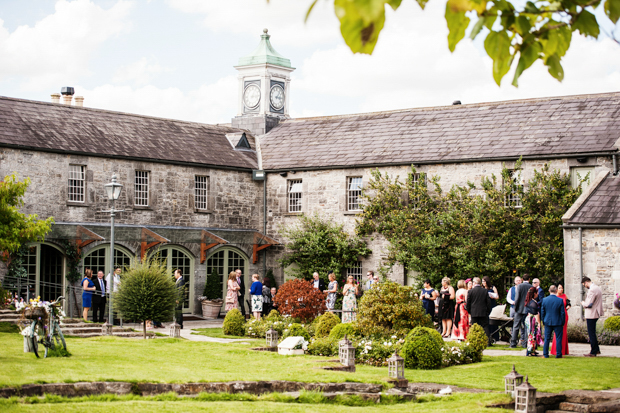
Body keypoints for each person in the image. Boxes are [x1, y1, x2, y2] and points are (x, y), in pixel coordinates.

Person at [541, 285, 566, 358]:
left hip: (547, 321)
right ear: (556, 291)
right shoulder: (559, 300)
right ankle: (558, 354)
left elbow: (542, 312)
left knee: (547, 339)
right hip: (558, 321)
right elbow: (562, 313)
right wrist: (562, 322)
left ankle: (545, 354)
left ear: (549, 291)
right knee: (558, 338)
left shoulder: (545, 300)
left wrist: (543, 320)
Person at [581, 276, 604, 357]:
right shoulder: (597, 288)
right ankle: (596, 349)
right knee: (592, 332)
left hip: (592, 314)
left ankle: (593, 351)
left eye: (584, 285)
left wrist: (583, 303)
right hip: (595, 313)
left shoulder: (592, 289)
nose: (584, 286)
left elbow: (589, 304)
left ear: (586, 282)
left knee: (591, 333)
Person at [466, 277, 491, 344]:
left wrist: (469, 311)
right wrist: (488, 311)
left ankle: (474, 341)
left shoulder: (471, 291)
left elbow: (468, 303)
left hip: (474, 311)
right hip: (483, 311)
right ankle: (487, 342)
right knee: (485, 326)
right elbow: (488, 302)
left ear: (474, 283)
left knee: (474, 326)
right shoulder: (485, 291)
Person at [510, 273, 533, 348]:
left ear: (522, 279)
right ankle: (525, 343)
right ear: (529, 279)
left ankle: (513, 343)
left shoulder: (519, 286)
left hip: (519, 309)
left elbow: (517, 298)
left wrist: (515, 307)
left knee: (516, 326)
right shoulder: (531, 287)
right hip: (528, 308)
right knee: (527, 326)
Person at [551, 283, 570, 356]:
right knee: (557, 333)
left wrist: (568, 306)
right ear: (556, 289)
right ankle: (556, 350)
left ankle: (564, 350)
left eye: (562, 288)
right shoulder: (555, 297)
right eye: (559, 288)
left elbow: (568, 303)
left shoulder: (565, 296)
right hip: (557, 315)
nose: (561, 289)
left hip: (564, 314)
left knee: (564, 332)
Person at [524, 287, 542, 356]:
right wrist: (539, 324)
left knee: (531, 334)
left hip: (528, 318)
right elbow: (536, 313)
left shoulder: (529, 301)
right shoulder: (533, 303)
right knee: (532, 335)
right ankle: (530, 350)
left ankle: (532, 349)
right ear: (534, 293)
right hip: (532, 319)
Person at [482, 276, 499, 341]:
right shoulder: (482, 288)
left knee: (493, 318)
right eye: (482, 281)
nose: (483, 283)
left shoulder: (492, 287)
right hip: (485, 304)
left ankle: (494, 335)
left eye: (484, 281)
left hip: (492, 303)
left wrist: (492, 296)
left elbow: (497, 296)